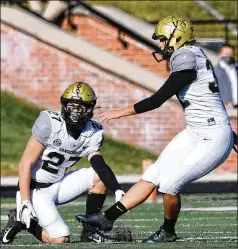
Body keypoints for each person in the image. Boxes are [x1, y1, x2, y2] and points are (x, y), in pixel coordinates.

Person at [75, 15, 237, 243]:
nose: (161, 46)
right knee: (153, 175)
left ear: (176, 37)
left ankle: (167, 231)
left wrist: (118, 113)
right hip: (197, 131)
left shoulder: (185, 55)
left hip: (213, 136)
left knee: (170, 184)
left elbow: (158, 99)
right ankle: (106, 219)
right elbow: (209, 99)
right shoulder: (194, 55)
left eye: (163, 40)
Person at [0, 82, 125, 244]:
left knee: (98, 177)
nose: (75, 112)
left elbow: (98, 163)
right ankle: (21, 220)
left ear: (90, 108)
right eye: (71, 106)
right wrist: (25, 201)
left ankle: (90, 231)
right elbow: (25, 164)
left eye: (80, 107)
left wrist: (117, 189)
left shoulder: (93, 131)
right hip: (34, 191)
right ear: (64, 105)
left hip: (58, 183)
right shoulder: (50, 123)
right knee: (60, 238)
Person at [214, 43, 237, 108]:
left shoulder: (235, 69)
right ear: (219, 55)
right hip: (225, 106)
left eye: (231, 54)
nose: (229, 56)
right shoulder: (214, 71)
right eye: (227, 54)